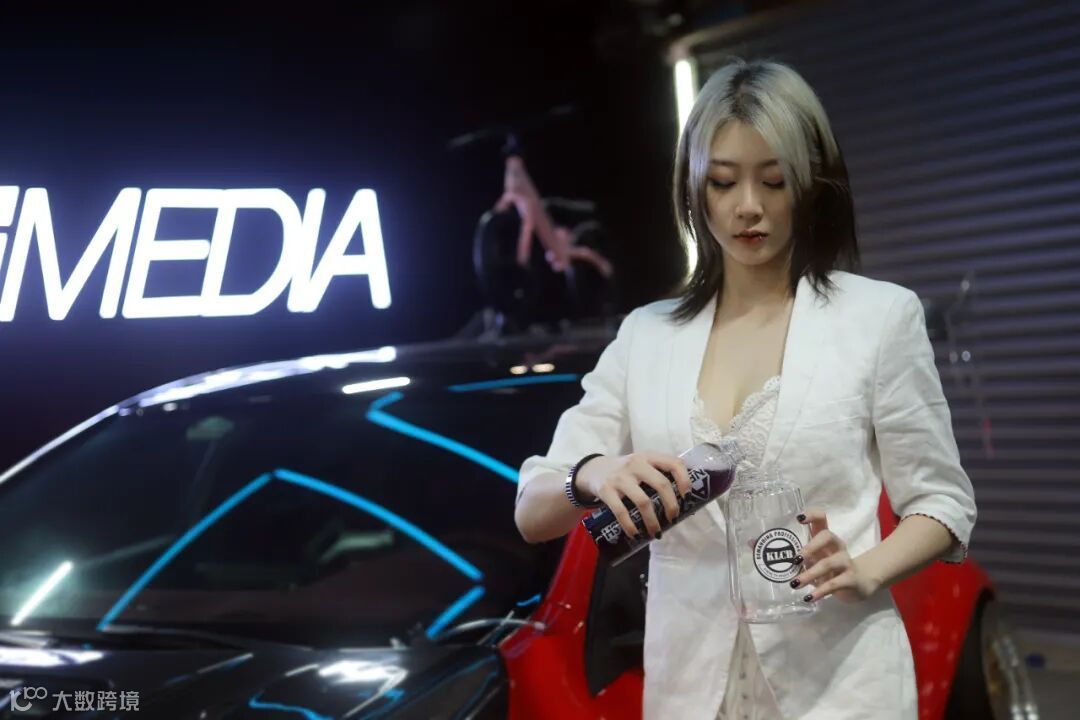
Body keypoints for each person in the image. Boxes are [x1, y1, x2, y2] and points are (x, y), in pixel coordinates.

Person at [513, 58, 977, 720]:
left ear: (810, 183)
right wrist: (593, 473)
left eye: (774, 180)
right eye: (724, 182)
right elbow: (533, 509)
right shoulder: (647, 335)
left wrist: (865, 568)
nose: (748, 206)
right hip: (691, 692)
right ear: (695, 187)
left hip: (841, 685)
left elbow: (942, 501)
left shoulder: (878, 318)